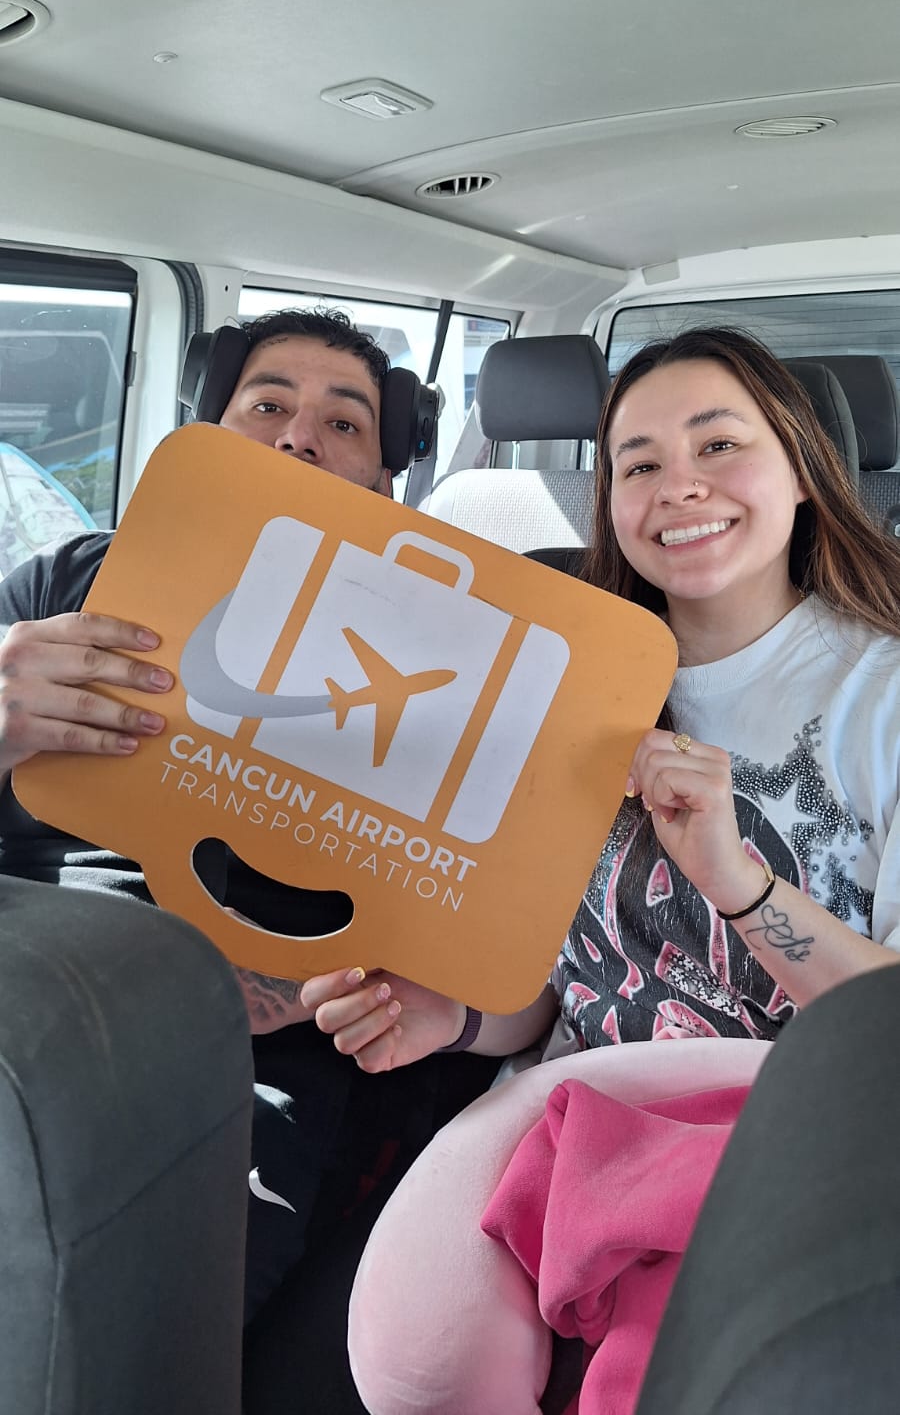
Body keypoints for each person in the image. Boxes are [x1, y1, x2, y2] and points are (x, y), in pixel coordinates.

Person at [315, 326, 900, 1415]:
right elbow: (550, 988)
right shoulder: (554, 676)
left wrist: (742, 885)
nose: (682, 486)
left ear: (805, 470)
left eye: (720, 444)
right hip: (563, 1132)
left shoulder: (881, 688)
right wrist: (452, 1014)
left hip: (792, 1128)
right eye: (638, 462)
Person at [0, 306, 499, 1341]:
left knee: (121, 1324)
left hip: (250, 1049)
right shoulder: (67, 583)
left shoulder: (449, 656)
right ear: (208, 430)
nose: (296, 436)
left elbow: (466, 914)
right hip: (26, 980)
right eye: (266, 404)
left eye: (343, 423)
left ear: (384, 472)